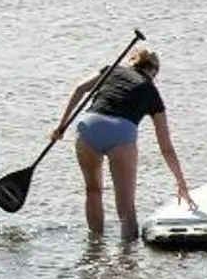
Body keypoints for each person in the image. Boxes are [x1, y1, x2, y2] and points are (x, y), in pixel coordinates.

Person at [62, 43, 195, 243]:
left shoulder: (112, 70)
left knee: (93, 190)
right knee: (126, 208)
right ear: (154, 70)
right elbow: (166, 147)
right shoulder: (151, 91)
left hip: (88, 127)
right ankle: (128, 258)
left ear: (133, 63)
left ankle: (95, 248)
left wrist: (61, 126)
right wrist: (181, 182)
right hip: (120, 134)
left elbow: (80, 89)